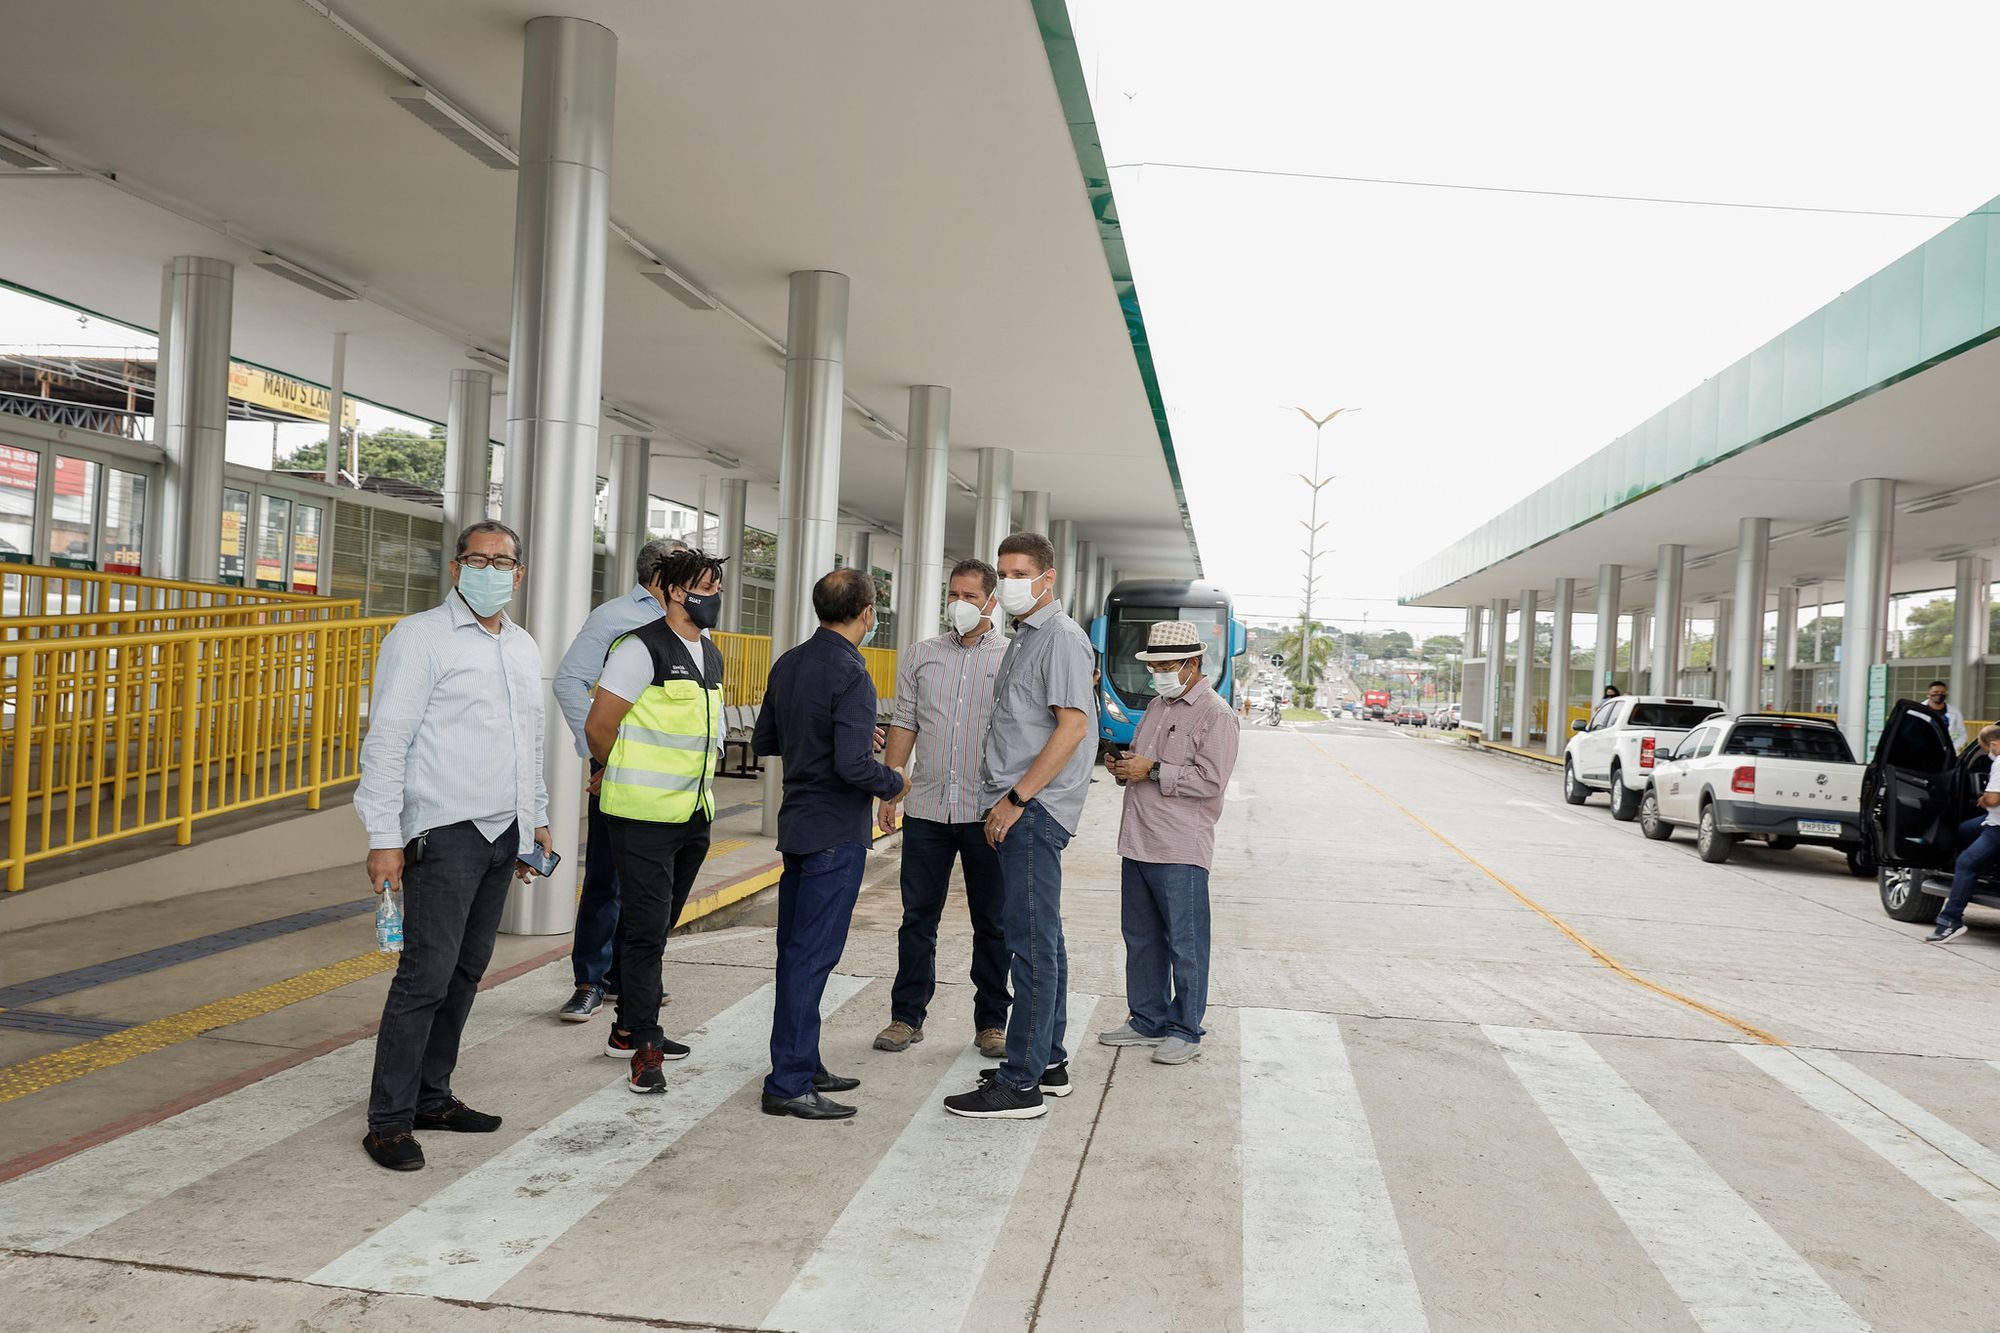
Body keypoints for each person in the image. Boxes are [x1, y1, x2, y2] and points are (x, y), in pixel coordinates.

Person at [354, 520, 552, 1172]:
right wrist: (384, 836)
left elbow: (531, 741)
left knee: (466, 973)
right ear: (456, 567)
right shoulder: (420, 638)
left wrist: (536, 820)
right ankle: (387, 1120)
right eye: (479, 558)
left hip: (502, 835)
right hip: (444, 833)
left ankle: (432, 1096)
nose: (492, 569)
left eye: (504, 561)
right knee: (425, 977)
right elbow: (387, 741)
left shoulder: (522, 646)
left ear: (519, 573)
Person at [944, 531, 1095, 1121]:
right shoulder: (1026, 639)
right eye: (1001, 573)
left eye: (1017, 573)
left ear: (1046, 578)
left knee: (1028, 946)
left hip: (1032, 812)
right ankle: (1048, 1060)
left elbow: (1073, 727)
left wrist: (1015, 799)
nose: (1007, 583)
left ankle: (1021, 1082)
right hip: (1022, 808)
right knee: (1042, 938)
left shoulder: (1059, 639)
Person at [754, 568, 909, 1119]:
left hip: (797, 825)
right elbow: (852, 767)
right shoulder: (852, 674)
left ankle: (804, 1059)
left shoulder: (790, 662)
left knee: (796, 952)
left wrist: (828, 738)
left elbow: (767, 738)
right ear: (868, 613)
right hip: (834, 833)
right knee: (811, 956)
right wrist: (894, 781)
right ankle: (789, 1082)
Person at [584, 549, 729, 1093]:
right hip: (642, 816)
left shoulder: (708, 653)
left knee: (658, 924)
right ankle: (644, 1044)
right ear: (672, 591)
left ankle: (625, 1027)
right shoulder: (638, 648)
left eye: (717, 587)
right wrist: (611, 768)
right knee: (646, 933)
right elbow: (601, 725)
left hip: (693, 814)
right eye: (703, 588)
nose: (712, 597)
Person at [873, 558, 1010, 1059]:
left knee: (992, 922)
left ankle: (992, 1021)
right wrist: (891, 787)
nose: (960, 605)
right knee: (917, 918)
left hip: (987, 811)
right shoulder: (922, 655)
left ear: (991, 600)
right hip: (929, 807)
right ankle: (906, 1017)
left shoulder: (1010, 658)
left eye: (971, 596)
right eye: (954, 595)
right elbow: (905, 720)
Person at [1098, 621, 1240, 1064]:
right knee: (1141, 937)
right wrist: (1122, 766)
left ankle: (1185, 1029)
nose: (1157, 674)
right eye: (1154, 666)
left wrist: (1153, 771)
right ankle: (1147, 1019)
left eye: (1165, 666)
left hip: (1180, 847)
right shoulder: (1159, 706)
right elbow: (1142, 761)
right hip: (1138, 840)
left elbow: (1212, 780)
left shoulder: (1217, 714)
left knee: (1186, 942)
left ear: (1192, 664)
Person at [550, 538, 680, 1023]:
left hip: (670, 772)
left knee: (650, 879)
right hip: (616, 765)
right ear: (659, 576)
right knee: (608, 874)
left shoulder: (689, 624)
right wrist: (600, 753)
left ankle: (631, 977)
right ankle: (590, 980)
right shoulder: (614, 617)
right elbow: (570, 682)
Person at [1927, 724, 2000, 945]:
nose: (1988, 754)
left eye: (1986, 749)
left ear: (1995, 744)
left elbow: (1994, 799)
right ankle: (1988, 865)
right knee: (1965, 828)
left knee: (1966, 863)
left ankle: (1950, 922)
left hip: (1997, 828)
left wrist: (1982, 800)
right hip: (1990, 822)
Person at [1923, 680, 1967, 749]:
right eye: (1936, 692)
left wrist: (1952, 750)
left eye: (1942, 692)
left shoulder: (1955, 713)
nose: (1939, 695)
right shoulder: (1917, 711)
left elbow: (1961, 734)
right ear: (1929, 693)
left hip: (1946, 752)